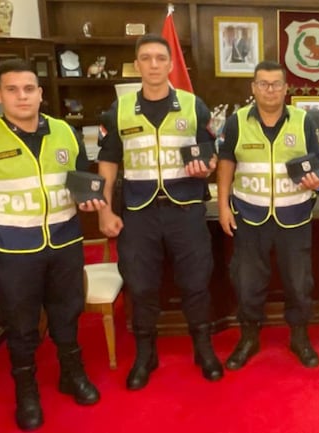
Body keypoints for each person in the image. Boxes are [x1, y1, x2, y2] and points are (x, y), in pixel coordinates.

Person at [0, 59, 101, 431]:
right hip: (13, 251)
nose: (21, 96)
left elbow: (82, 178)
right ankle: (26, 391)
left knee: (66, 314)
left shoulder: (65, 132)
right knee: (21, 324)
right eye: (12, 89)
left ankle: (71, 374)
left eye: (28, 89)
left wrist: (89, 198)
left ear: (40, 93)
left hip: (64, 242)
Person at [97, 34, 222, 390]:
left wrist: (207, 166)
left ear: (170, 65)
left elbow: (210, 152)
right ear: (136, 66)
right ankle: (145, 354)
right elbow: (107, 164)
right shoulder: (117, 111)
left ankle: (203, 349)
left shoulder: (193, 104)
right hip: (138, 212)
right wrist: (104, 211)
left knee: (197, 282)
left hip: (186, 209)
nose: (153, 65)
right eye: (145, 59)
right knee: (141, 286)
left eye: (159, 58)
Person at [217, 60, 319, 370]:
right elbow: (226, 163)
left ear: (285, 88)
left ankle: (300, 338)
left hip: (294, 218)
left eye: (276, 84)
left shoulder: (303, 121)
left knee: (299, 282)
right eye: (263, 84)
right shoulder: (236, 121)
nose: (269, 90)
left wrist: (317, 178)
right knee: (247, 282)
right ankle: (249, 338)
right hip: (250, 218)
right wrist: (224, 205)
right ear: (253, 88)